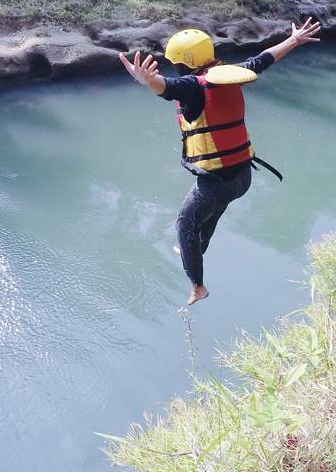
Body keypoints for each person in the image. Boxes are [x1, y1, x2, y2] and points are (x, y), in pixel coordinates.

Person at [119, 18, 322, 306]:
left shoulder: (193, 86)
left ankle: (197, 286)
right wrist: (293, 40)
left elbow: (169, 87)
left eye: (176, 62)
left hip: (217, 181)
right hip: (242, 177)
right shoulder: (231, 73)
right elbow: (262, 60)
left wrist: (148, 80)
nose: (174, 67)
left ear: (185, 63)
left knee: (185, 223)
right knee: (211, 214)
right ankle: (197, 249)